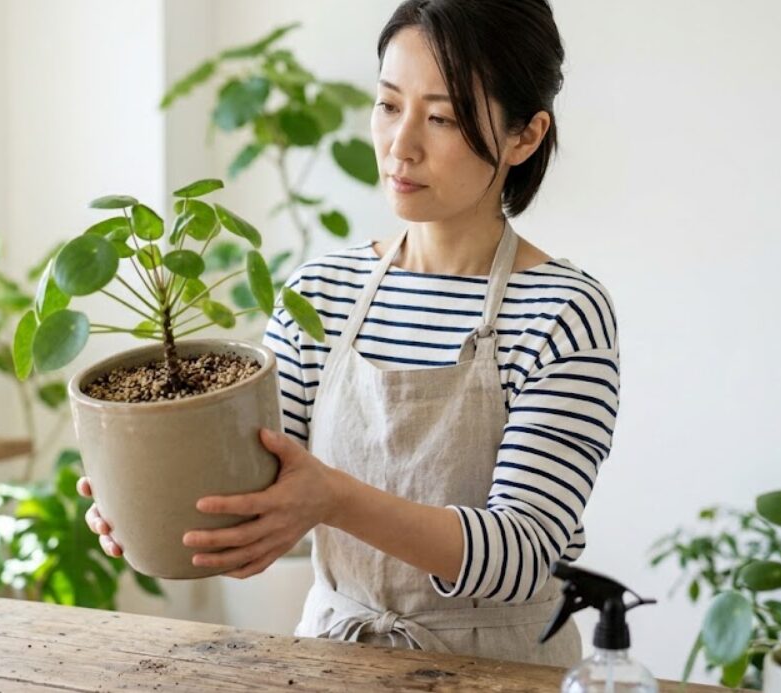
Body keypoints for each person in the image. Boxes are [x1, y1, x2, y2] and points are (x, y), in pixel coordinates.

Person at [77, 0, 619, 667]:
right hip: (333, 660)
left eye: (442, 117)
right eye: (390, 105)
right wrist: (148, 499)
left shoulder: (563, 310)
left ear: (524, 137)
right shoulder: (320, 293)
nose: (401, 144)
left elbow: (523, 553)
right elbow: (267, 503)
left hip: (502, 670)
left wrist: (333, 497)